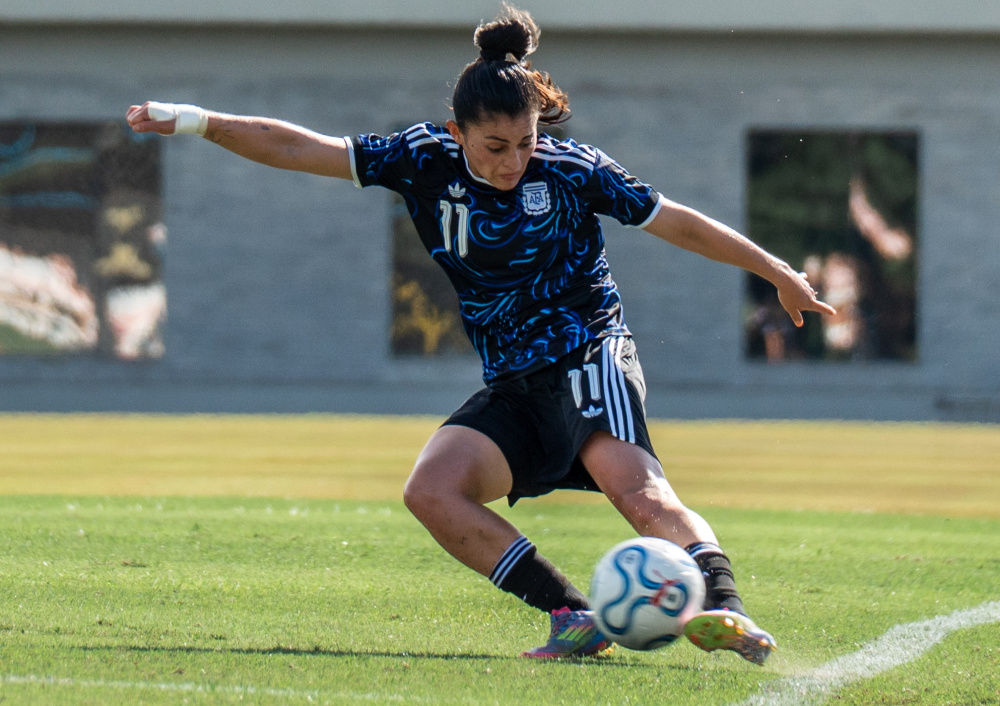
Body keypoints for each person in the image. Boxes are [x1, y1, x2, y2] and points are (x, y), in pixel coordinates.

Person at [127, 4, 835, 664]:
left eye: (525, 142)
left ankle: (726, 609)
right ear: (458, 131)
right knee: (432, 490)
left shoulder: (572, 169)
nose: (512, 161)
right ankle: (571, 614)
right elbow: (295, 148)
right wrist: (195, 120)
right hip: (514, 383)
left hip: (589, 352)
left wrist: (774, 271)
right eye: (494, 146)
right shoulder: (421, 160)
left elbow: (677, 221)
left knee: (639, 495)